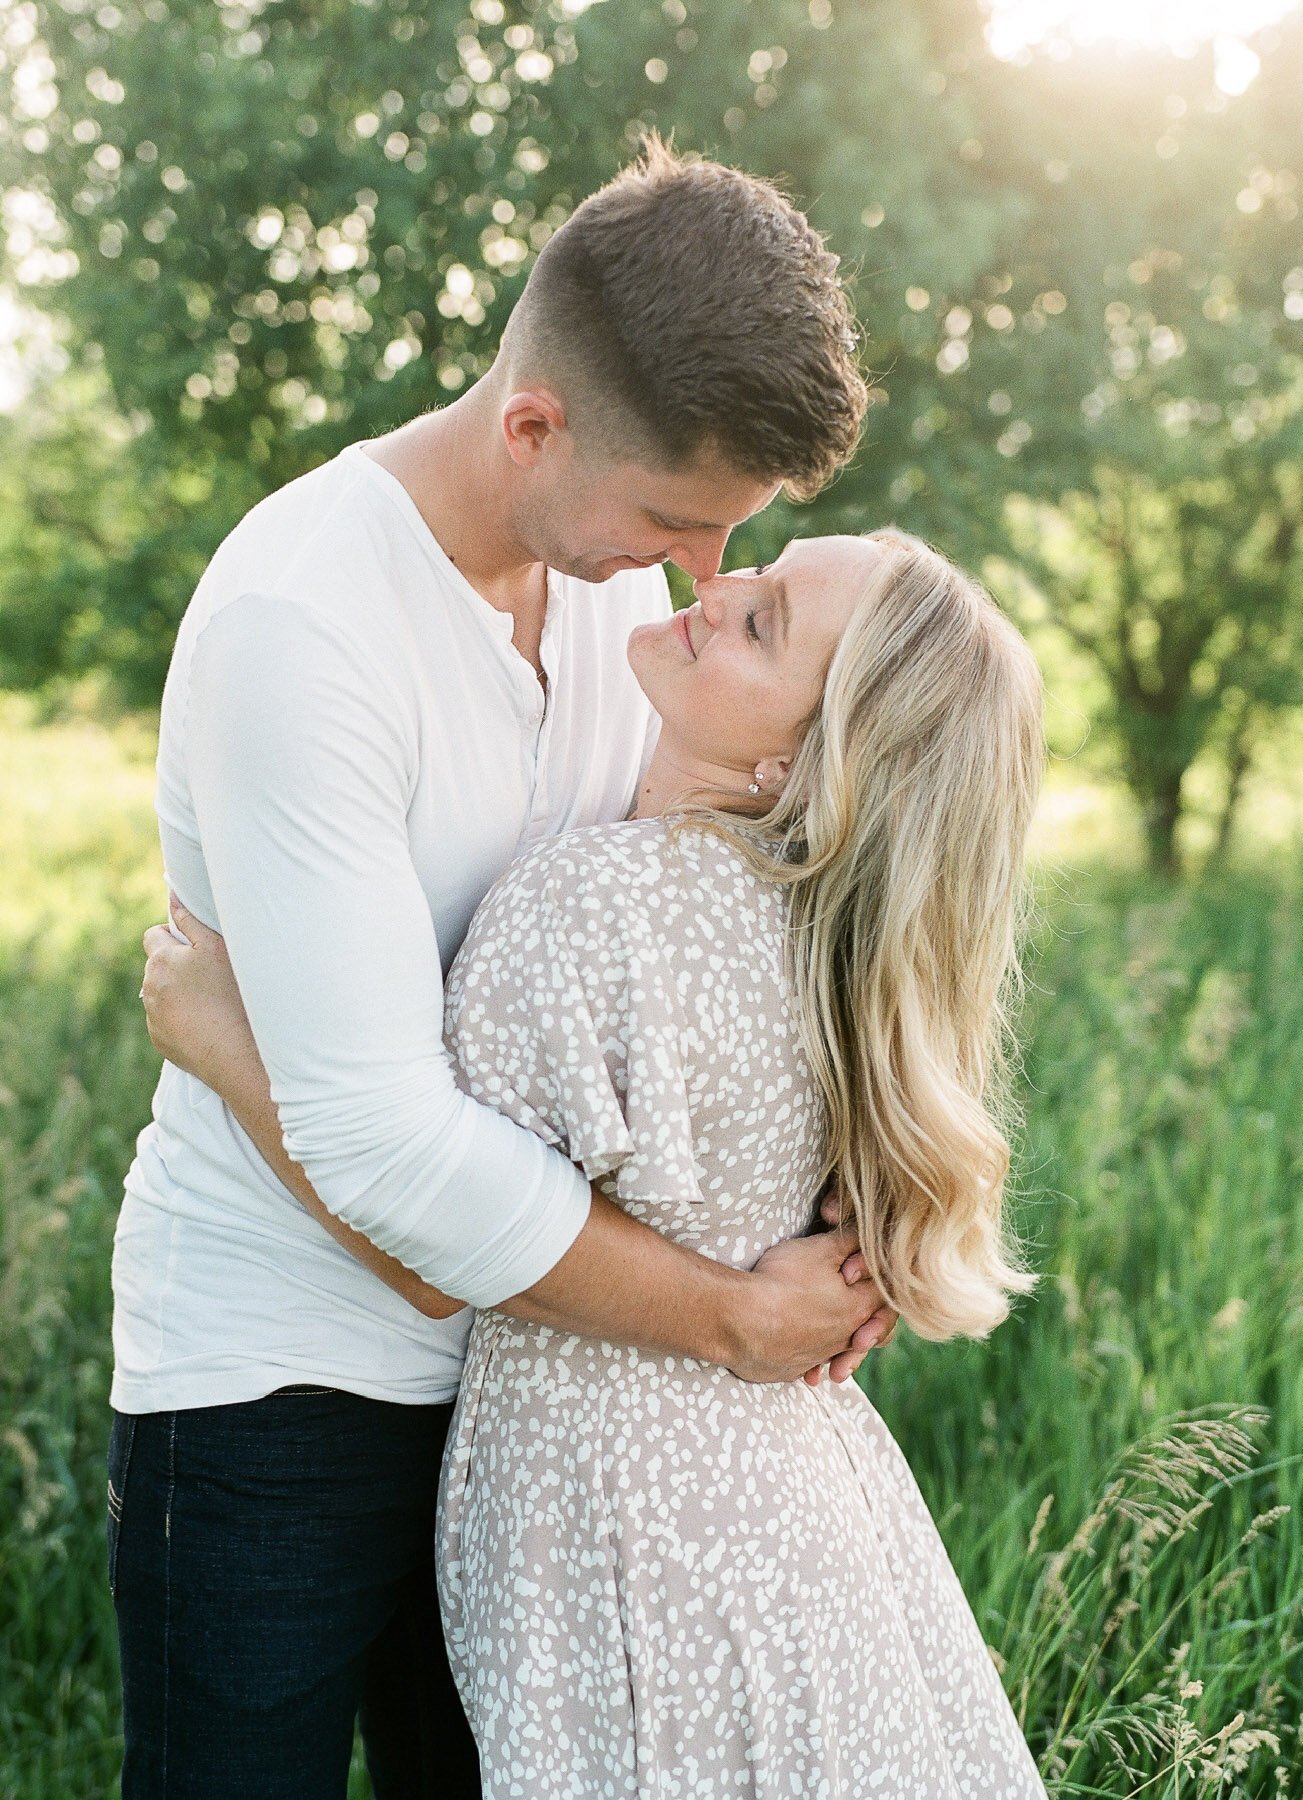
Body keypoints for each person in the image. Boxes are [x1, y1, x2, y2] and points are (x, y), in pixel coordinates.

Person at [112, 138, 893, 1799]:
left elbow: (656, 988)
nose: (700, 578)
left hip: (539, 1395)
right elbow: (396, 1177)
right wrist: (732, 1317)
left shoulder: (617, 620)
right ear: (534, 422)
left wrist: (843, 1214)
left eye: (730, 538)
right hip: (279, 1387)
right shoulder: (307, 626)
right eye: (675, 520)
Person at [143, 527, 1048, 1796]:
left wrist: (223, 1042)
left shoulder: (586, 909)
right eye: (756, 569)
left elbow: (429, 1247)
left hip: (621, 1532)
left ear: (795, 758)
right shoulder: (839, 948)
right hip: (799, 1522)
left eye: (764, 622)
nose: (715, 586)